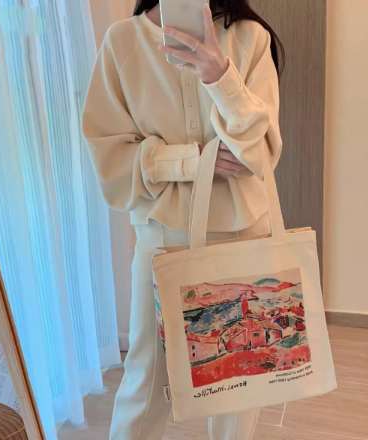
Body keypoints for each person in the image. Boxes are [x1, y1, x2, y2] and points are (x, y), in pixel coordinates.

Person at [82, 1, 284, 439]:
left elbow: (260, 154)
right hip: (163, 240)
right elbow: (110, 162)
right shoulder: (123, 42)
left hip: (244, 234)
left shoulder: (250, 37)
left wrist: (220, 75)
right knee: (147, 382)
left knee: (239, 388)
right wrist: (191, 161)